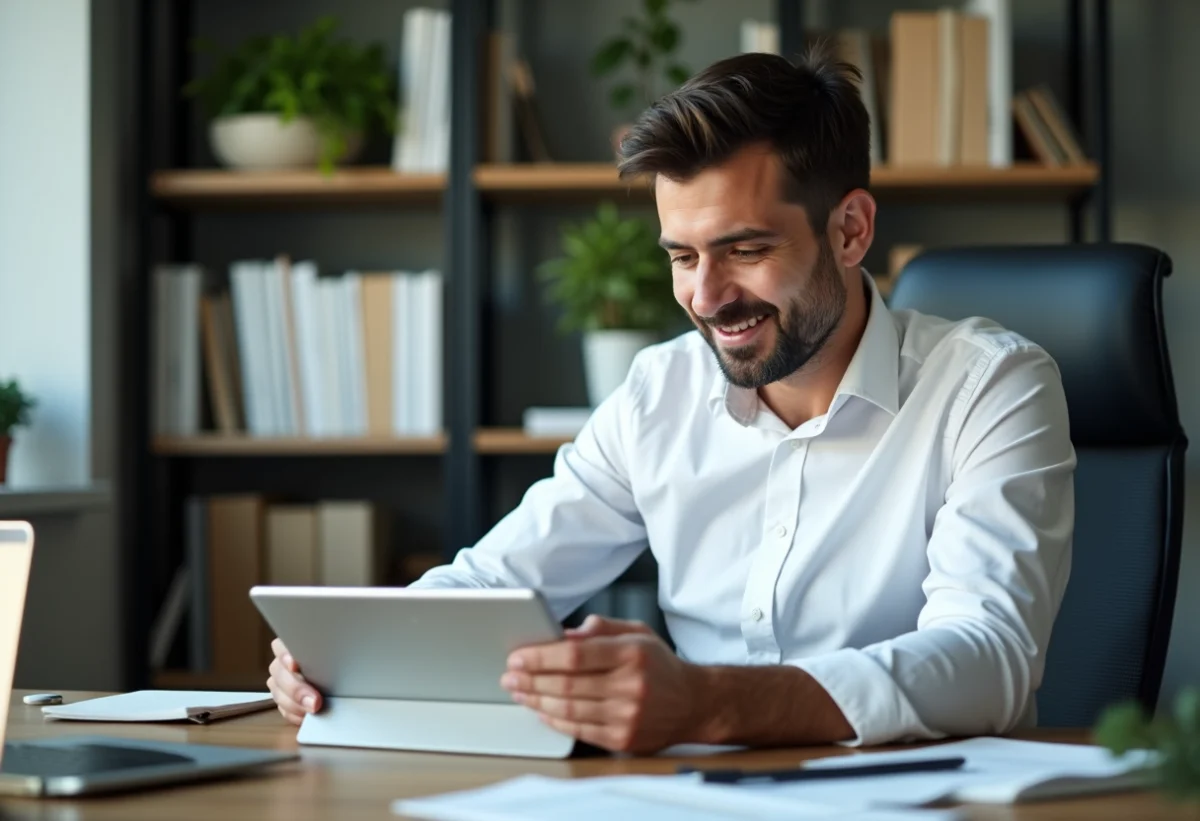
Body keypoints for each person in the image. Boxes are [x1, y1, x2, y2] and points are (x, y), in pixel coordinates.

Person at [268, 46, 1076, 755]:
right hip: (690, 795)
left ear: (851, 230)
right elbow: (496, 582)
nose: (707, 296)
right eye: (681, 256)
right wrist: (348, 653)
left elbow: (987, 656)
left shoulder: (992, 386)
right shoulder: (659, 392)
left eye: (746, 249)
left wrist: (706, 700)